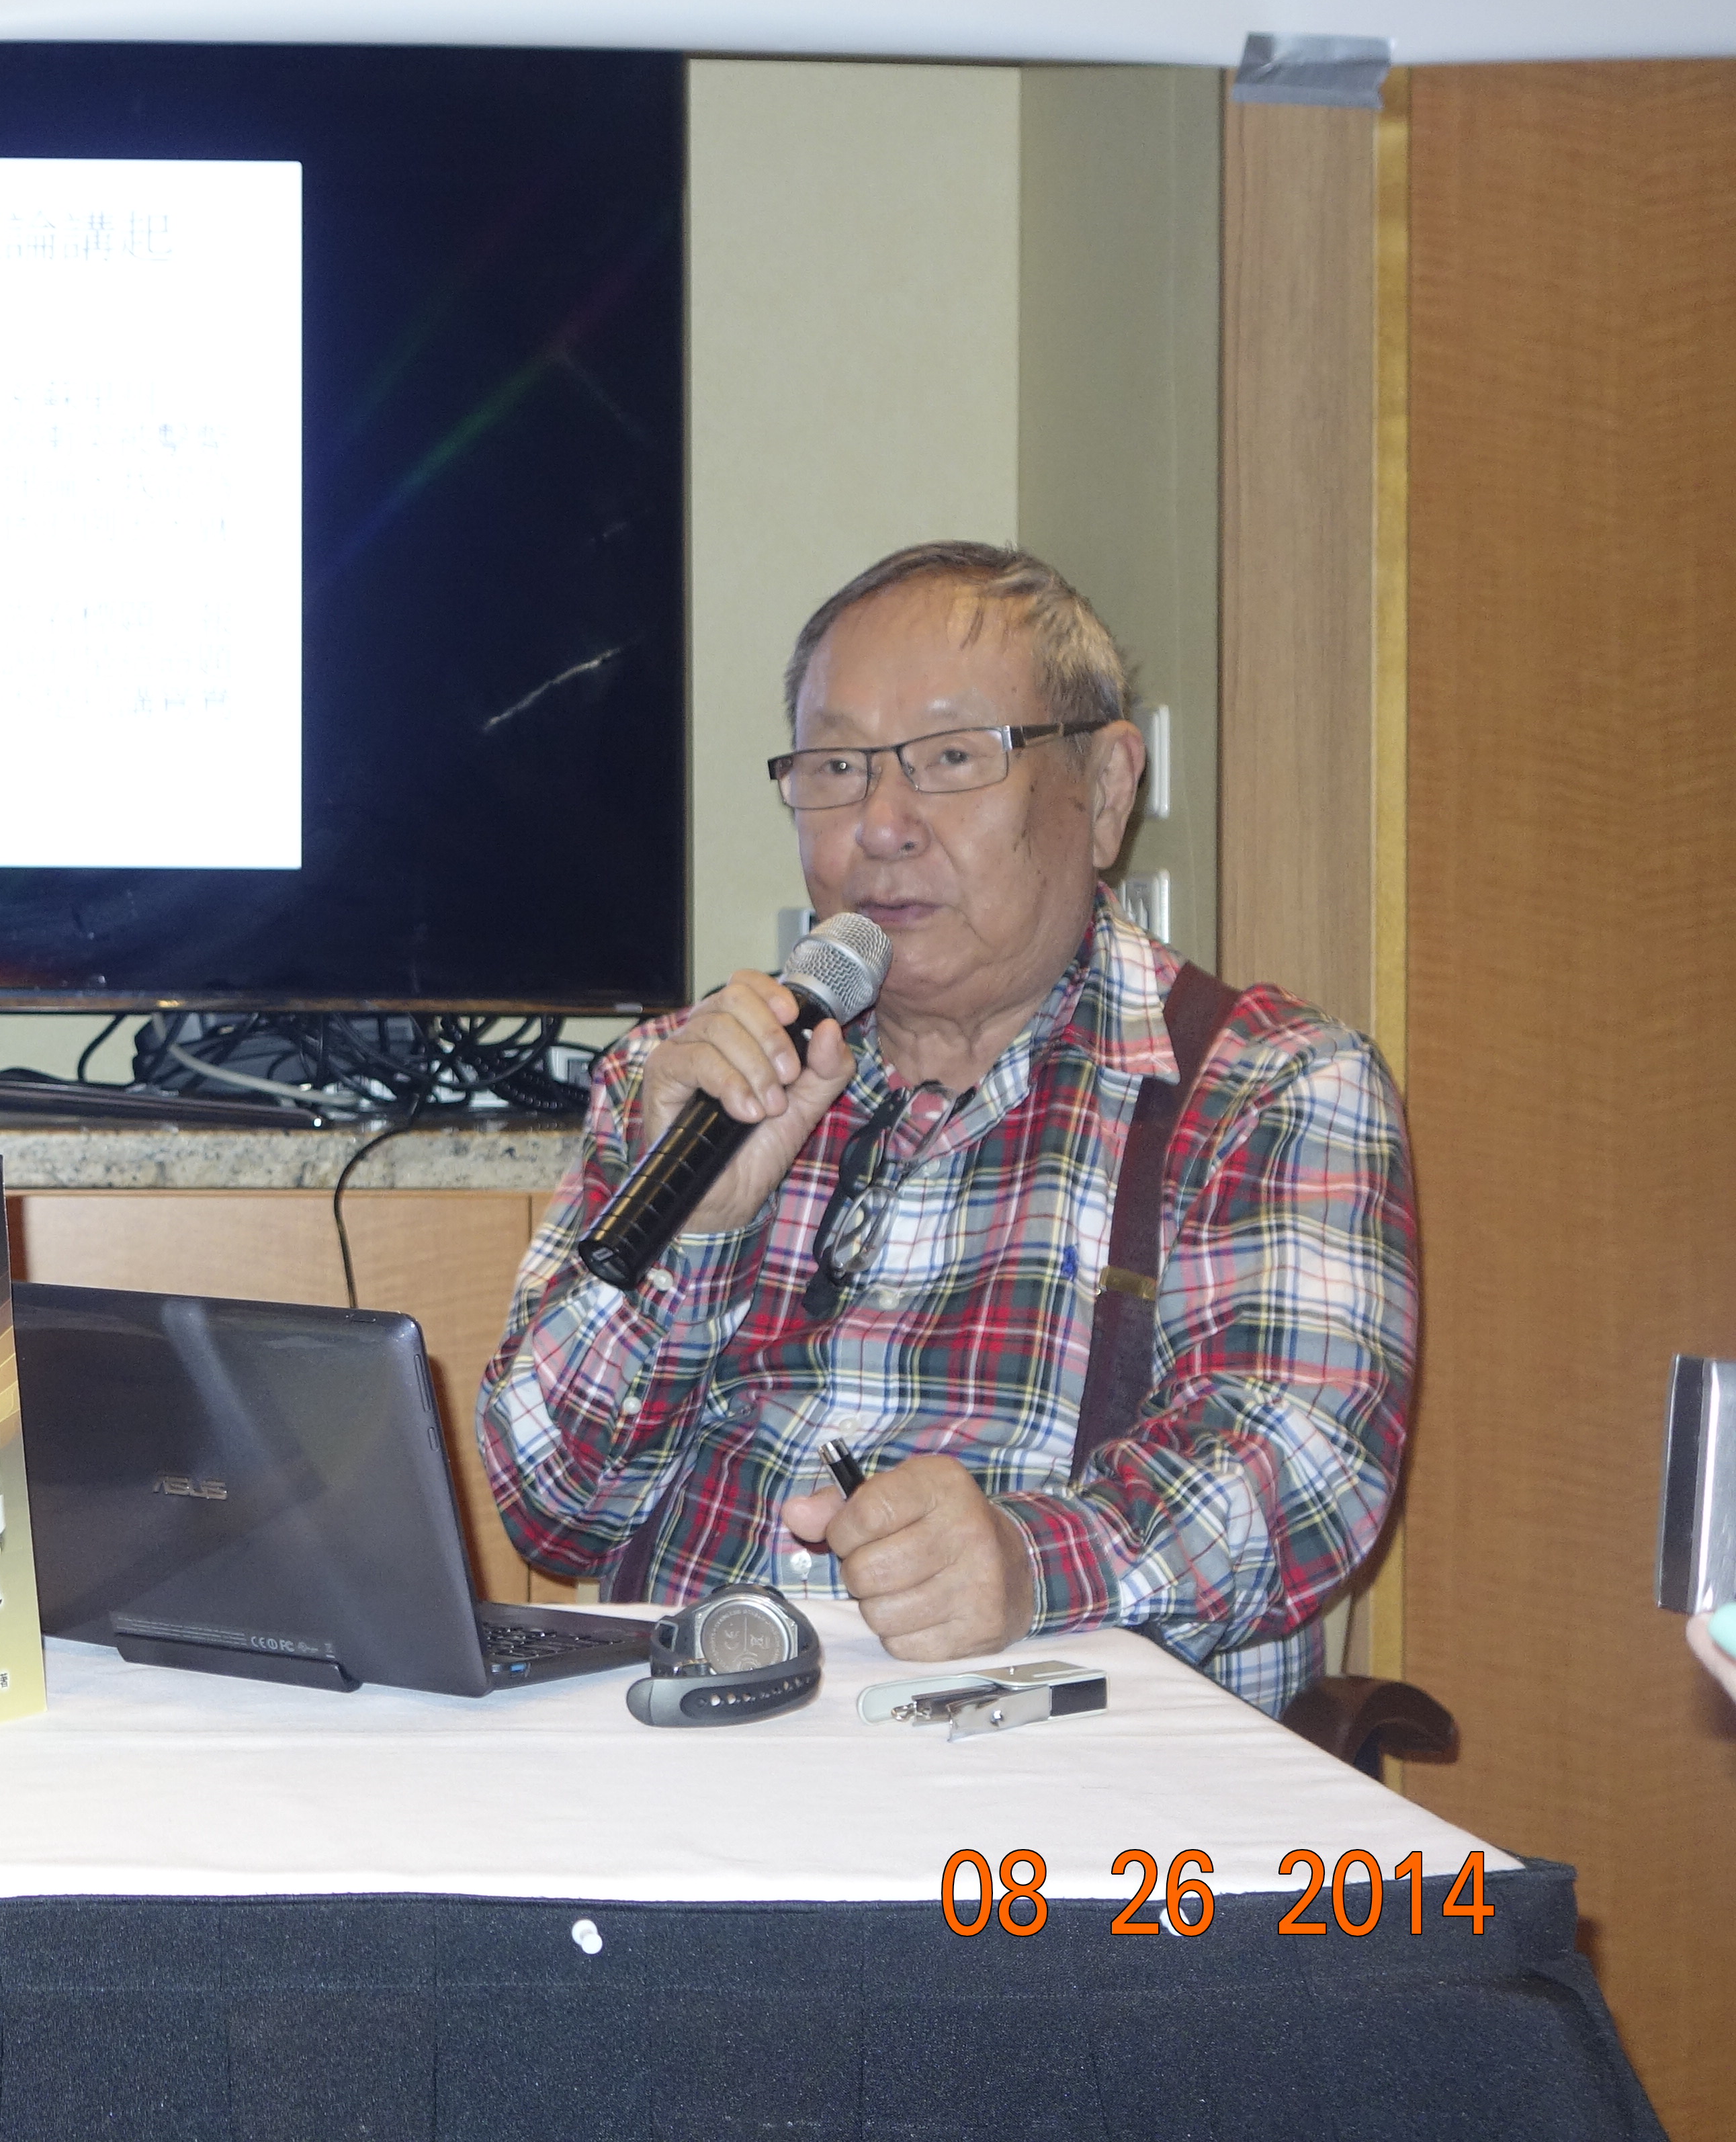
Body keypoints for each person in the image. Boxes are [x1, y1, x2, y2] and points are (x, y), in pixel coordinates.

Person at [480, 542, 1415, 1709]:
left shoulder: (1267, 1087)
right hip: (684, 1740)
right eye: (836, 768)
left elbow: (1300, 1479)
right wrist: (700, 1228)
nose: (882, 826)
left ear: (1106, 791)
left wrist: (1027, 1563)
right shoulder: (682, 1079)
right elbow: (552, 1510)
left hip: (1047, 1774)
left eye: (953, 758)